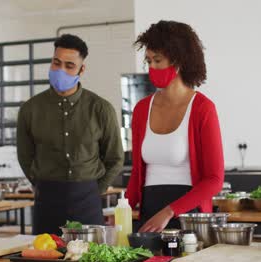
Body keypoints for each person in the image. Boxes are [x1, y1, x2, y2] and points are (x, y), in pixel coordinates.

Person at [17, 34, 124, 235]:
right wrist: (40, 184)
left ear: (81, 69)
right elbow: (25, 156)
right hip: (47, 199)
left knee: (90, 257)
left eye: (69, 66)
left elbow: (115, 158)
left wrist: (96, 189)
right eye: (56, 63)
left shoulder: (100, 109)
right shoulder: (30, 109)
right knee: (44, 257)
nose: (60, 70)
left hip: (88, 199)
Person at [125, 20, 224, 232]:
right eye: (148, 60)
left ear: (178, 61)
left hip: (189, 214)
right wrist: (122, 209)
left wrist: (170, 211)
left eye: (157, 60)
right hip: (150, 213)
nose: (151, 67)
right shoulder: (142, 109)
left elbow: (214, 179)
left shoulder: (202, 108)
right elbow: (136, 174)